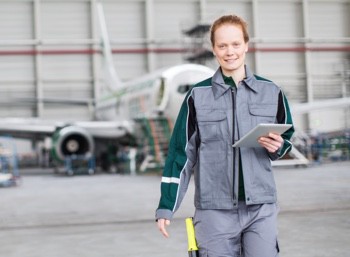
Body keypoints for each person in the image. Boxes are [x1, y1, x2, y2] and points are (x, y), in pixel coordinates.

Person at [155, 14, 294, 257]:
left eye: (235, 44)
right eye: (222, 45)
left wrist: (278, 146)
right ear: (214, 49)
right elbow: (181, 155)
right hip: (214, 211)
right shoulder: (197, 96)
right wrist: (167, 206)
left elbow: (287, 137)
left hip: (260, 207)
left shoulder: (271, 92)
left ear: (246, 45)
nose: (230, 52)